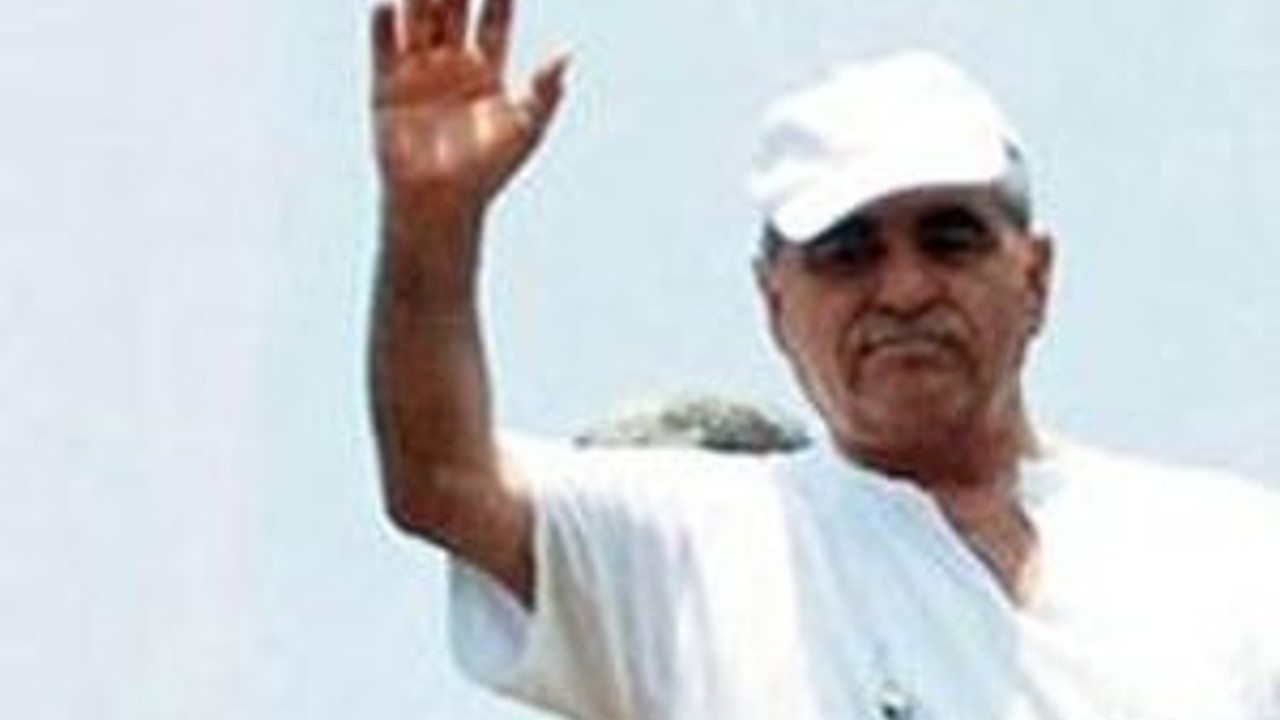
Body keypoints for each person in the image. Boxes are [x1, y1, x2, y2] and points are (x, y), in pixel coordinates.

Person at [366, 0, 1280, 718]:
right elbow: (443, 481)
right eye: (848, 254)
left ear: (1035, 276)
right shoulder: (701, 554)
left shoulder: (1229, 555)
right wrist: (431, 224)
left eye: (950, 240)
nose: (904, 289)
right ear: (774, 302)